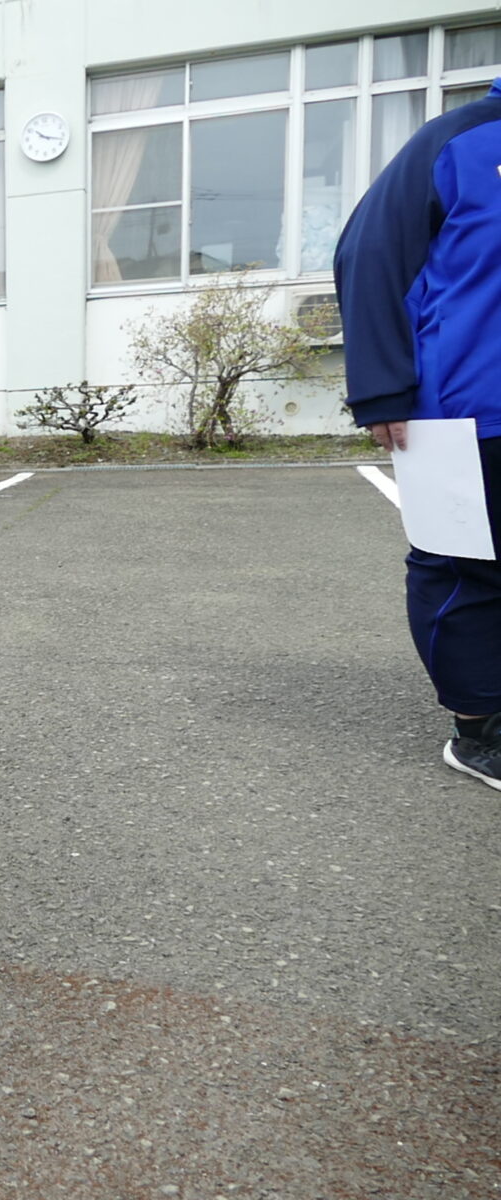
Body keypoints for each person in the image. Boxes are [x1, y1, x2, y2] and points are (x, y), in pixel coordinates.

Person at [333, 79, 501, 793]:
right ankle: (480, 728)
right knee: (465, 567)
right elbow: (368, 252)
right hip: (464, 408)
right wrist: (381, 386)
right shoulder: (458, 140)